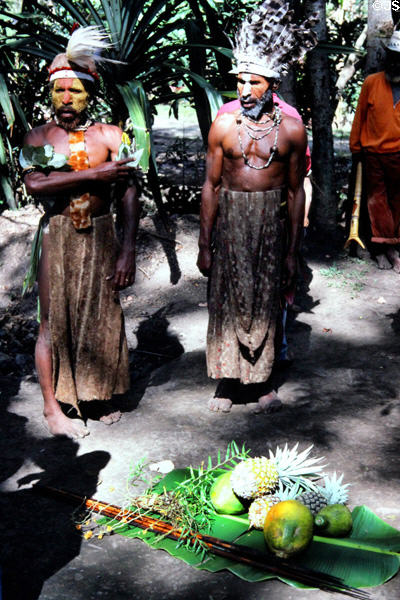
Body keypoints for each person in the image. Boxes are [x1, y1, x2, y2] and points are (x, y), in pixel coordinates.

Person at [197, 0, 317, 413]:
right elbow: (211, 185)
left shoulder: (292, 130)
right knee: (226, 297)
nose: (244, 91)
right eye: (240, 82)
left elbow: (295, 191)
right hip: (231, 216)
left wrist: (291, 250)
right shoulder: (224, 126)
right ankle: (227, 383)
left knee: (266, 296)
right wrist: (205, 242)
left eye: (255, 83)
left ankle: (262, 381)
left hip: (271, 220)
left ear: (272, 85)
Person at [21, 27, 139, 438]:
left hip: (102, 236)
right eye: (59, 91)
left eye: (76, 91)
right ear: (50, 93)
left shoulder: (111, 136)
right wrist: (95, 173)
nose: (67, 100)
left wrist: (127, 250)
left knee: (103, 315)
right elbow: (35, 184)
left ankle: (97, 393)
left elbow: (128, 193)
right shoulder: (38, 137)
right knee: (51, 322)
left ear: (91, 94)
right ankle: (54, 407)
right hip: (58, 236)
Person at [350, 30, 400, 272]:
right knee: (377, 202)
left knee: (398, 202)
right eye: (392, 57)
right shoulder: (372, 82)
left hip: (399, 155)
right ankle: (383, 249)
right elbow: (360, 117)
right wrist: (355, 147)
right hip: (373, 155)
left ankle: (393, 247)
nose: (395, 63)